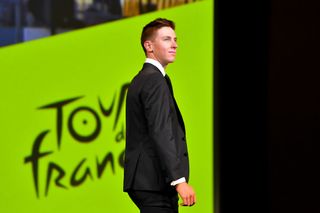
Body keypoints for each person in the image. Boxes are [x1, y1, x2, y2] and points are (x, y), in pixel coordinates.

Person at [123, 18, 196, 213]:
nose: (174, 44)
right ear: (149, 46)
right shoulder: (154, 80)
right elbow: (161, 131)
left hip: (148, 181)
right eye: (166, 39)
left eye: (175, 39)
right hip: (153, 182)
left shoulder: (146, 78)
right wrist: (179, 180)